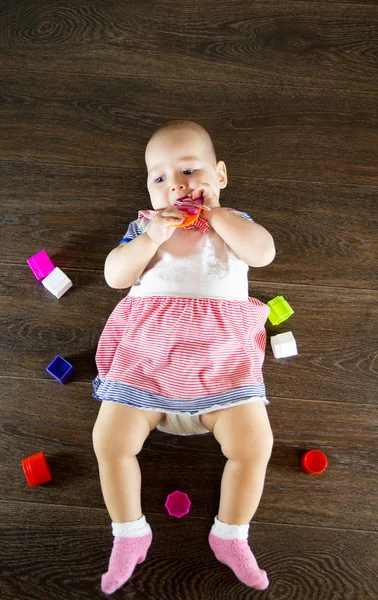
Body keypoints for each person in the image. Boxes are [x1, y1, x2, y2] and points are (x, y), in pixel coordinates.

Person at [92, 119, 276, 595]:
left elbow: (263, 254)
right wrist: (149, 238)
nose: (176, 184)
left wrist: (217, 216)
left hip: (221, 367)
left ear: (220, 175)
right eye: (160, 178)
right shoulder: (144, 228)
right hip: (148, 363)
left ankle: (231, 533)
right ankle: (129, 531)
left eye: (190, 171)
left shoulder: (235, 223)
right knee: (108, 441)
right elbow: (115, 274)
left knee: (255, 445)